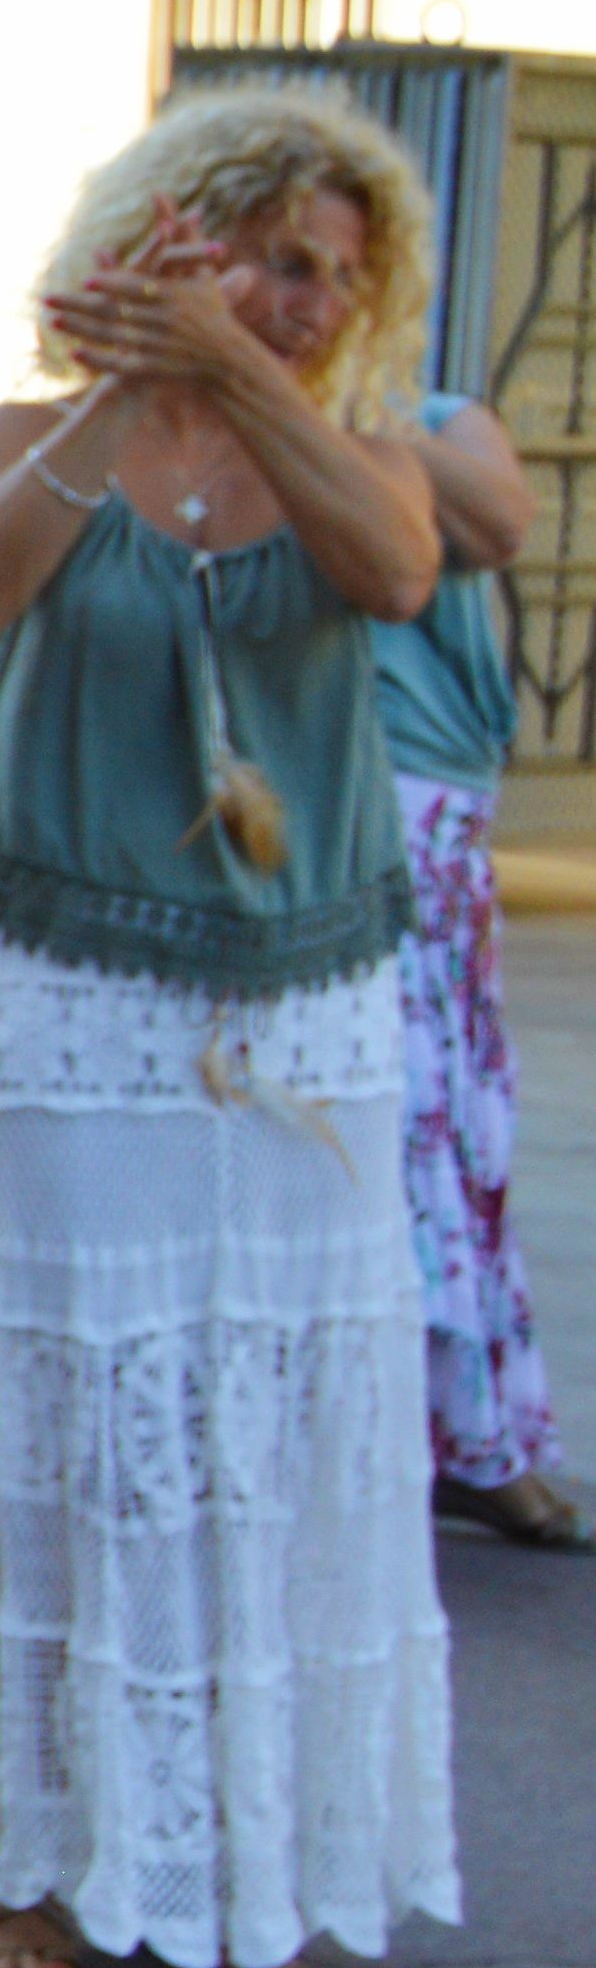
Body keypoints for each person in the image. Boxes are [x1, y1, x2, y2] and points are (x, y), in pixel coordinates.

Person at [0, 87, 455, 1968]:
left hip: (302, 1003)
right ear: (176, 236)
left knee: (270, 1431)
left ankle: (254, 1866)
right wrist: (130, 387)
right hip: (69, 991)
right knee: (72, 1425)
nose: (301, 300)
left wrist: (250, 377)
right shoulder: (44, 438)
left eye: (331, 278)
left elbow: (395, 577)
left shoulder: (362, 458)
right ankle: (42, 1854)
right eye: (272, 258)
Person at [381, 384, 582, 1550]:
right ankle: (417, 1436)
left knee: (449, 1125)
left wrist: (338, 410)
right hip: (296, 792)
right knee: (375, 1127)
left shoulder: (434, 413)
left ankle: (472, 1430)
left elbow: (500, 523)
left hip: (423, 793)